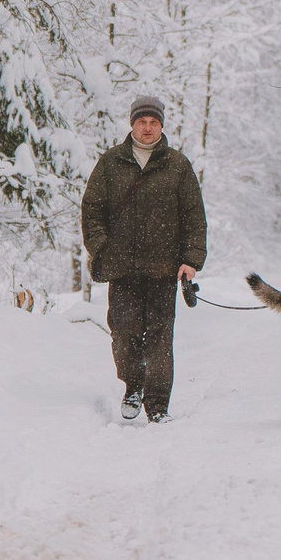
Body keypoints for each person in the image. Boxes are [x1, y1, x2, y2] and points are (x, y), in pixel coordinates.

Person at [80, 94, 207, 422]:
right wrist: (102, 247)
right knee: (123, 333)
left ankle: (158, 405)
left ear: (161, 125)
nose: (147, 128)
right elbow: (92, 209)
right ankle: (133, 385)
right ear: (132, 124)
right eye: (142, 121)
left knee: (161, 338)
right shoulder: (111, 163)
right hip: (121, 268)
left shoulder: (177, 165)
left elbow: (194, 215)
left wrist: (191, 259)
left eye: (153, 122)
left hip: (163, 269)